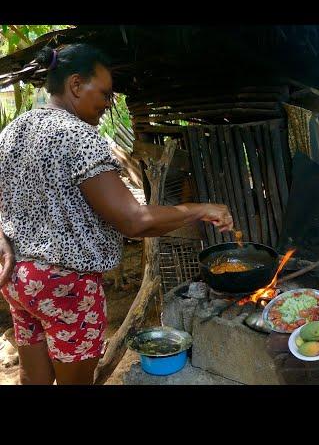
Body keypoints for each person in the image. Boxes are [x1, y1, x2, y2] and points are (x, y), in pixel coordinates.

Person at [0, 44, 234, 385]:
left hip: (20, 280)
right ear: (77, 85)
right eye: (105, 93)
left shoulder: (13, 132)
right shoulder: (78, 136)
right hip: (66, 286)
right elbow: (133, 220)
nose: (109, 104)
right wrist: (200, 209)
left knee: (32, 376)